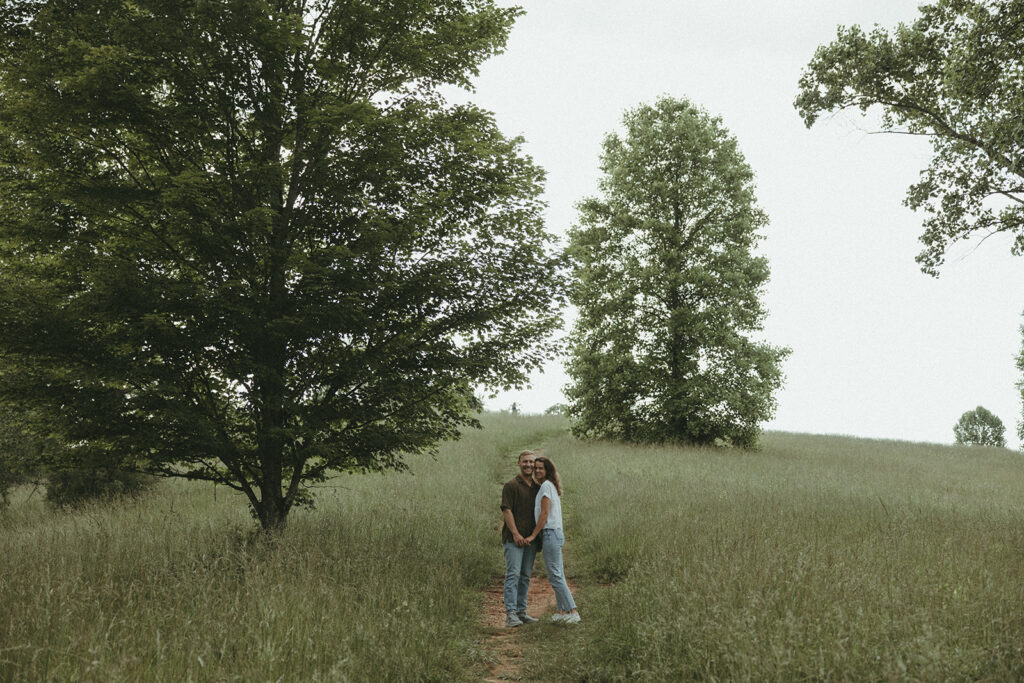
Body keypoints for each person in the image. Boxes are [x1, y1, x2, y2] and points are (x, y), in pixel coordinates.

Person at [525, 456, 580, 624]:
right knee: (557, 574)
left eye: (541, 468)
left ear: (548, 470)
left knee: (555, 575)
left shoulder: (547, 486)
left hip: (550, 533)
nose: (538, 471)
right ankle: (562, 612)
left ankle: (573, 612)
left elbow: (544, 514)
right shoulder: (548, 486)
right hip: (553, 533)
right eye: (536, 468)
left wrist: (534, 535)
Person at [500, 450, 541, 627]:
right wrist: (516, 534)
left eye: (532, 462)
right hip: (513, 539)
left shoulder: (538, 488)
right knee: (513, 575)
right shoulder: (511, 486)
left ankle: (521, 612)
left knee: (525, 576)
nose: (529, 465)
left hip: (530, 540)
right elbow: (506, 510)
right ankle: (511, 614)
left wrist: (532, 537)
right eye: (525, 462)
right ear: (518, 463)